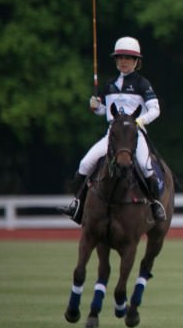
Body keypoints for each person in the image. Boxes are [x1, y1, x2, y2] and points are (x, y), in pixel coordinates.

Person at [58, 36, 167, 223]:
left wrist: (140, 121)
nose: (124, 61)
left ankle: (155, 204)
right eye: (120, 57)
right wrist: (94, 106)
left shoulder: (142, 84)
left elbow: (155, 109)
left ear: (136, 62)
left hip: (135, 136)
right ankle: (78, 205)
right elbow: (103, 111)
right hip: (113, 136)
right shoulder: (109, 85)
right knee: (85, 163)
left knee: (147, 168)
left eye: (128, 58)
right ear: (116, 61)